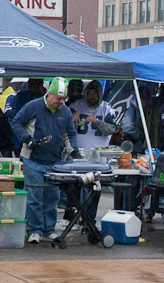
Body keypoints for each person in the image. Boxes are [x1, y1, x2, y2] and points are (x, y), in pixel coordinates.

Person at [11, 77, 77, 243]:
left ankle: (49, 230)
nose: (61, 102)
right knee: (35, 197)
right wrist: (27, 139)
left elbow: (70, 133)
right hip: (33, 160)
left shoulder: (65, 111)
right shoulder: (33, 106)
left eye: (64, 99)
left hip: (55, 162)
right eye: (58, 98)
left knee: (52, 197)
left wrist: (73, 150)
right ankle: (35, 230)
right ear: (49, 94)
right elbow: (16, 122)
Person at [68, 80, 118, 219]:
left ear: (100, 94)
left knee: (94, 189)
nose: (91, 96)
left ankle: (89, 219)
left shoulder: (107, 109)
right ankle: (72, 217)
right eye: (89, 93)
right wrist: (70, 119)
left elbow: (111, 130)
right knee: (74, 187)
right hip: (77, 156)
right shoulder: (75, 105)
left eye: (94, 93)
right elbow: (61, 122)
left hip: (98, 159)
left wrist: (97, 122)